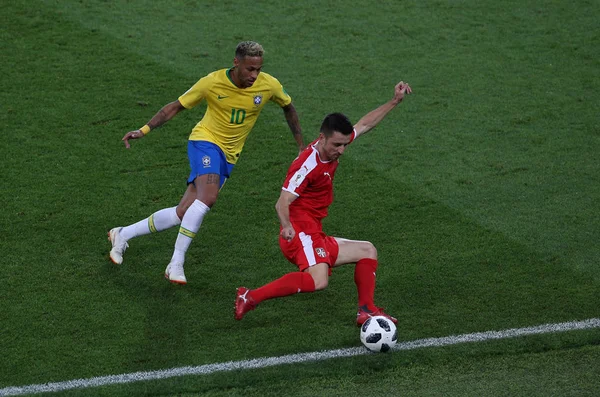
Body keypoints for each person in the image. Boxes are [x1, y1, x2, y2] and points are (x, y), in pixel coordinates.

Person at [108, 41, 304, 284]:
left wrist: (300, 145)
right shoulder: (212, 82)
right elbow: (175, 107)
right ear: (236, 63)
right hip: (205, 142)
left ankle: (122, 233)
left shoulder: (269, 85)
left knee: (183, 212)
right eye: (249, 69)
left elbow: (288, 107)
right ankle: (176, 262)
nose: (254, 75)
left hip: (229, 156)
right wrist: (144, 130)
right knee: (208, 197)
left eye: (258, 69)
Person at [234, 81, 412, 326]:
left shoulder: (335, 146)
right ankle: (250, 296)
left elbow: (365, 124)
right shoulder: (308, 164)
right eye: (336, 145)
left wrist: (394, 101)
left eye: (344, 145)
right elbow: (282, 201)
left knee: (367, 251)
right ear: (322, 138)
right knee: (319, 281)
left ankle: (367, 310)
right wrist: (286, 226)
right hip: (300, 233)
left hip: (313, 230)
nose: (341, 150)